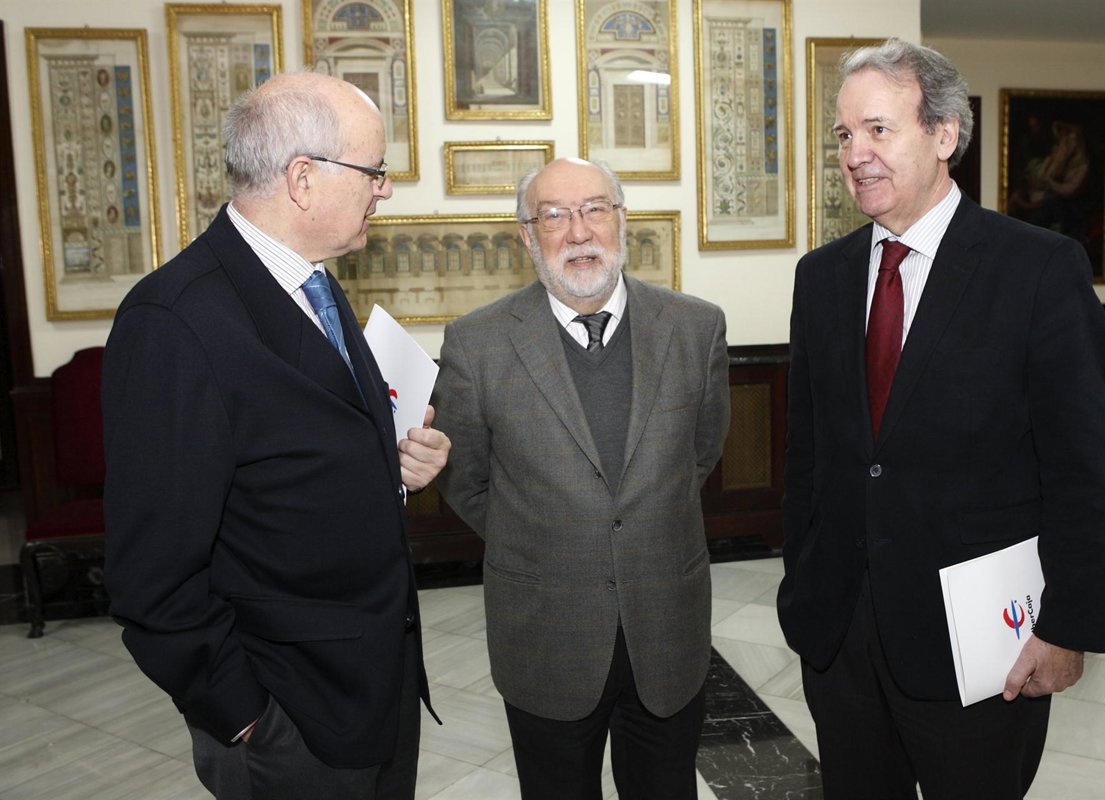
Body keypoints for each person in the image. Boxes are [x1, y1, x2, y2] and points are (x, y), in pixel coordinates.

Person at [775, 39, 1105, 800]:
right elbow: (809, 456)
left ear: (943, 134)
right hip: (840, 634)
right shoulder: (822, 277)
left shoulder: (1037, 269)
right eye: (844, 134)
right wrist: (801, 587)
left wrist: (1069, 627)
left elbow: (1085, 473)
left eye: (878, 129)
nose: (855, 154)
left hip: (981, 648)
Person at [102, 71, 449, 800]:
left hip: (374, 687)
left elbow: (287, 465)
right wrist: (243, 716)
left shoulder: (312, 281)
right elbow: (151, 574)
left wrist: (391, 467)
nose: (385, 189)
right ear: (302, 179)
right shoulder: (173, 321)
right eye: (375, 171)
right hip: (290, 719)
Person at [432, 157, 731, 799]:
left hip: (667, 628)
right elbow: (466, 481)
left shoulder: (696, 328)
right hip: (547, 634)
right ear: (526, 235)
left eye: (595, 209)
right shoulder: (476, 344)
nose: (579, 231)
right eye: (554, 215)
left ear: (622, 220)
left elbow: (699, 456)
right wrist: (545, 536)